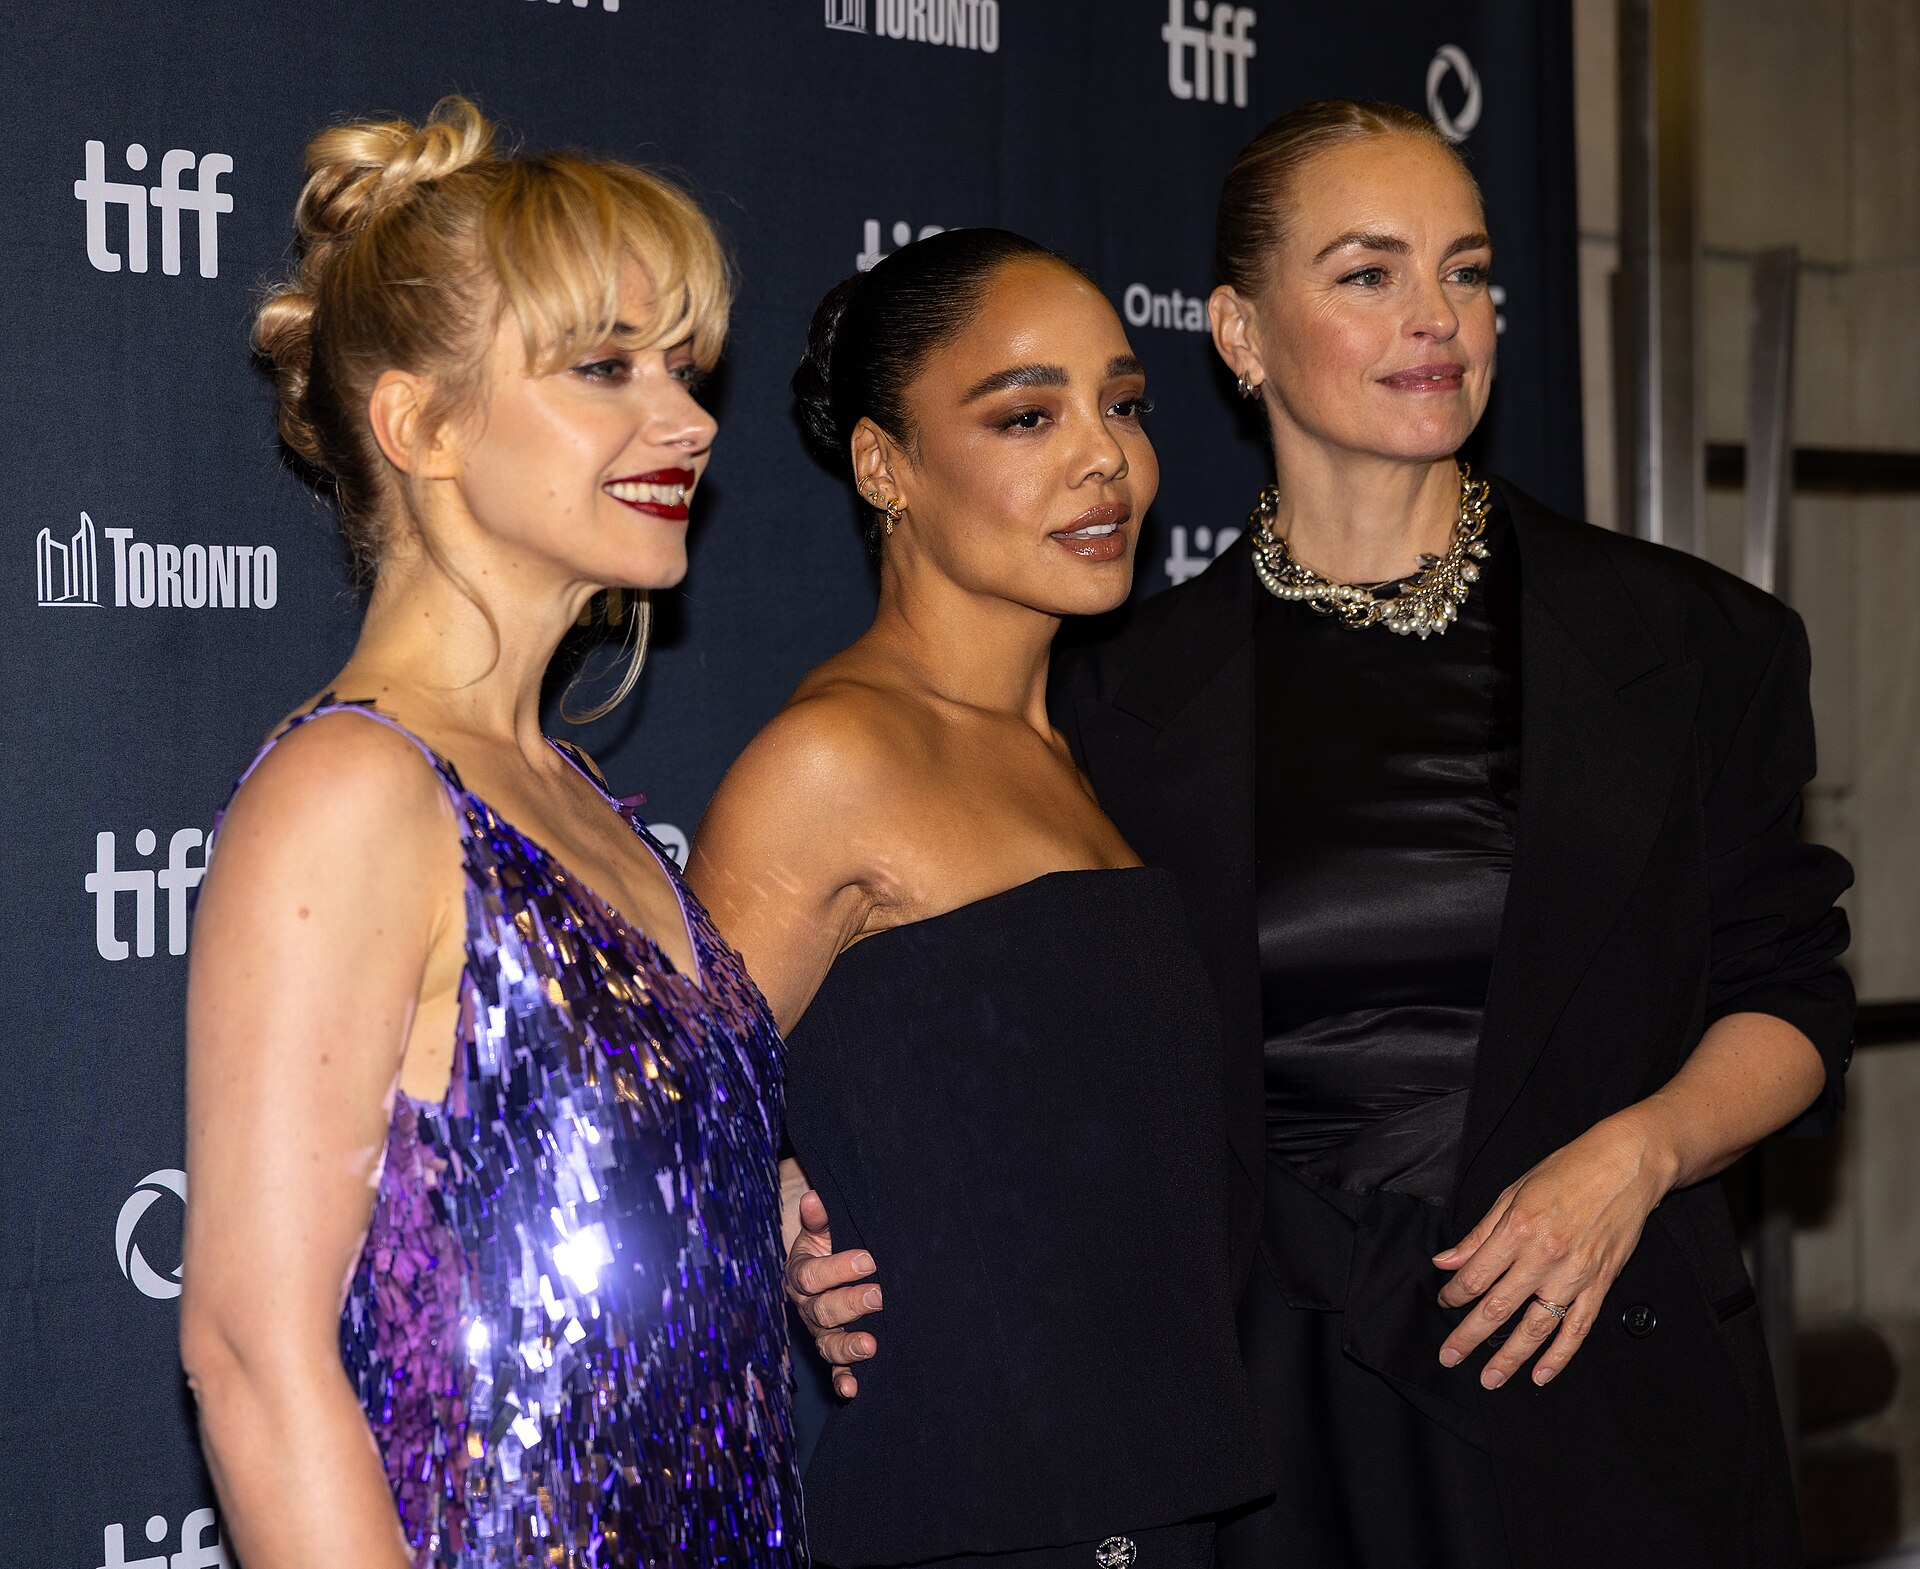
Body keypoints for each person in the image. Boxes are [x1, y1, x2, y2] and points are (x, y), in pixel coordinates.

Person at [798, 103, 1856, 1569]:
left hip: (1607, 1380)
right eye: (1370, 274)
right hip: (1260, 1422)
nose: (1439, 319)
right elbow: (970, 1024)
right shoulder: (1106, 695)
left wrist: (1642, 1150)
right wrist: (810, 1199)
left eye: (1469, 271)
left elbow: (1791, 989)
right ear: (1237, 332)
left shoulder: (1690, 642)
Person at [180, 98, 803, 1568]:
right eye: (604, 370)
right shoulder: (354, 792)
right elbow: (256, 1361)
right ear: (417, 423)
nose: (691, 421)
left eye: (684, 369)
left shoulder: (591, 802)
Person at [688, 228, 1267, 1568]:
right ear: (884, 465)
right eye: (1026, 414)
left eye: (1123, 403)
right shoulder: (831, 762)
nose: (1103, 456)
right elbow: (654, 1127)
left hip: (1169, 1505)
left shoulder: (1088, 757)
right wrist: (768, 1213)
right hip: (975, 1525)